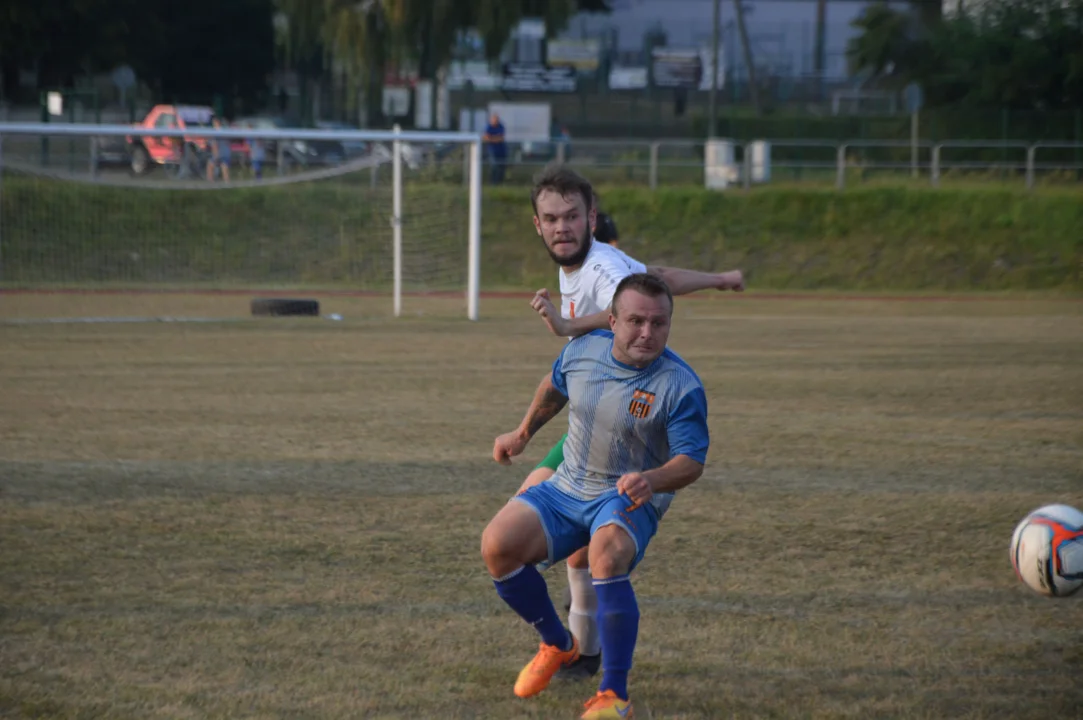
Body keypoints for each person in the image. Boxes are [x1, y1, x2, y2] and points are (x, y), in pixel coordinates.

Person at [513, 164, 741, 681]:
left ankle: (574, 648)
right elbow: (656, 276)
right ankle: (579, 648)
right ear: (538, 224)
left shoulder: (599, 268)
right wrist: (719, 280)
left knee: (549, 533)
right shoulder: (590, 261)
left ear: (591, 217)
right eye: (552, 218)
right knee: (562, 545)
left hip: (628, 418)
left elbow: (632, 299)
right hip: (594, 412)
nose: (562, 227)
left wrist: (568, 325)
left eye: (572, 216)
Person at [482, 273, 709, 719]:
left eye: (659, 323)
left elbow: (692, 461)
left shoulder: (681, 386)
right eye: (636, 321)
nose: (647, 333)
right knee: (497, 545)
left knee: (604, 555)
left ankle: (613, 695)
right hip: (569, 485)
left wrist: (652, 480)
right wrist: (522, 433)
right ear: (612, 321)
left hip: (626, 496)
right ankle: (557, 644)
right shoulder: (583, 351)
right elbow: (554, 386)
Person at [483, 112, 508, 185]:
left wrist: (491, 138)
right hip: (492, 150)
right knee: (494, 166)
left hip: (501, 150)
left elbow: (501, 138)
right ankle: (492, 183)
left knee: (502, 167)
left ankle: (499, 183)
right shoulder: (488, 127)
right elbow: (485, 138)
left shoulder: (501, 126)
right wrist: (495, 138)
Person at [206, 117, 231, 182]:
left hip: (219, 153)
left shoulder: (214, 132)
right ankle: (227, 184)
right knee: (224, 168)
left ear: (216, 123)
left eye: (214, 123)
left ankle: (210, 182)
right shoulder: (225, 131)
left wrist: (216, 155)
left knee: (210, 166)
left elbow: (214, 145)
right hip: (226, 153)